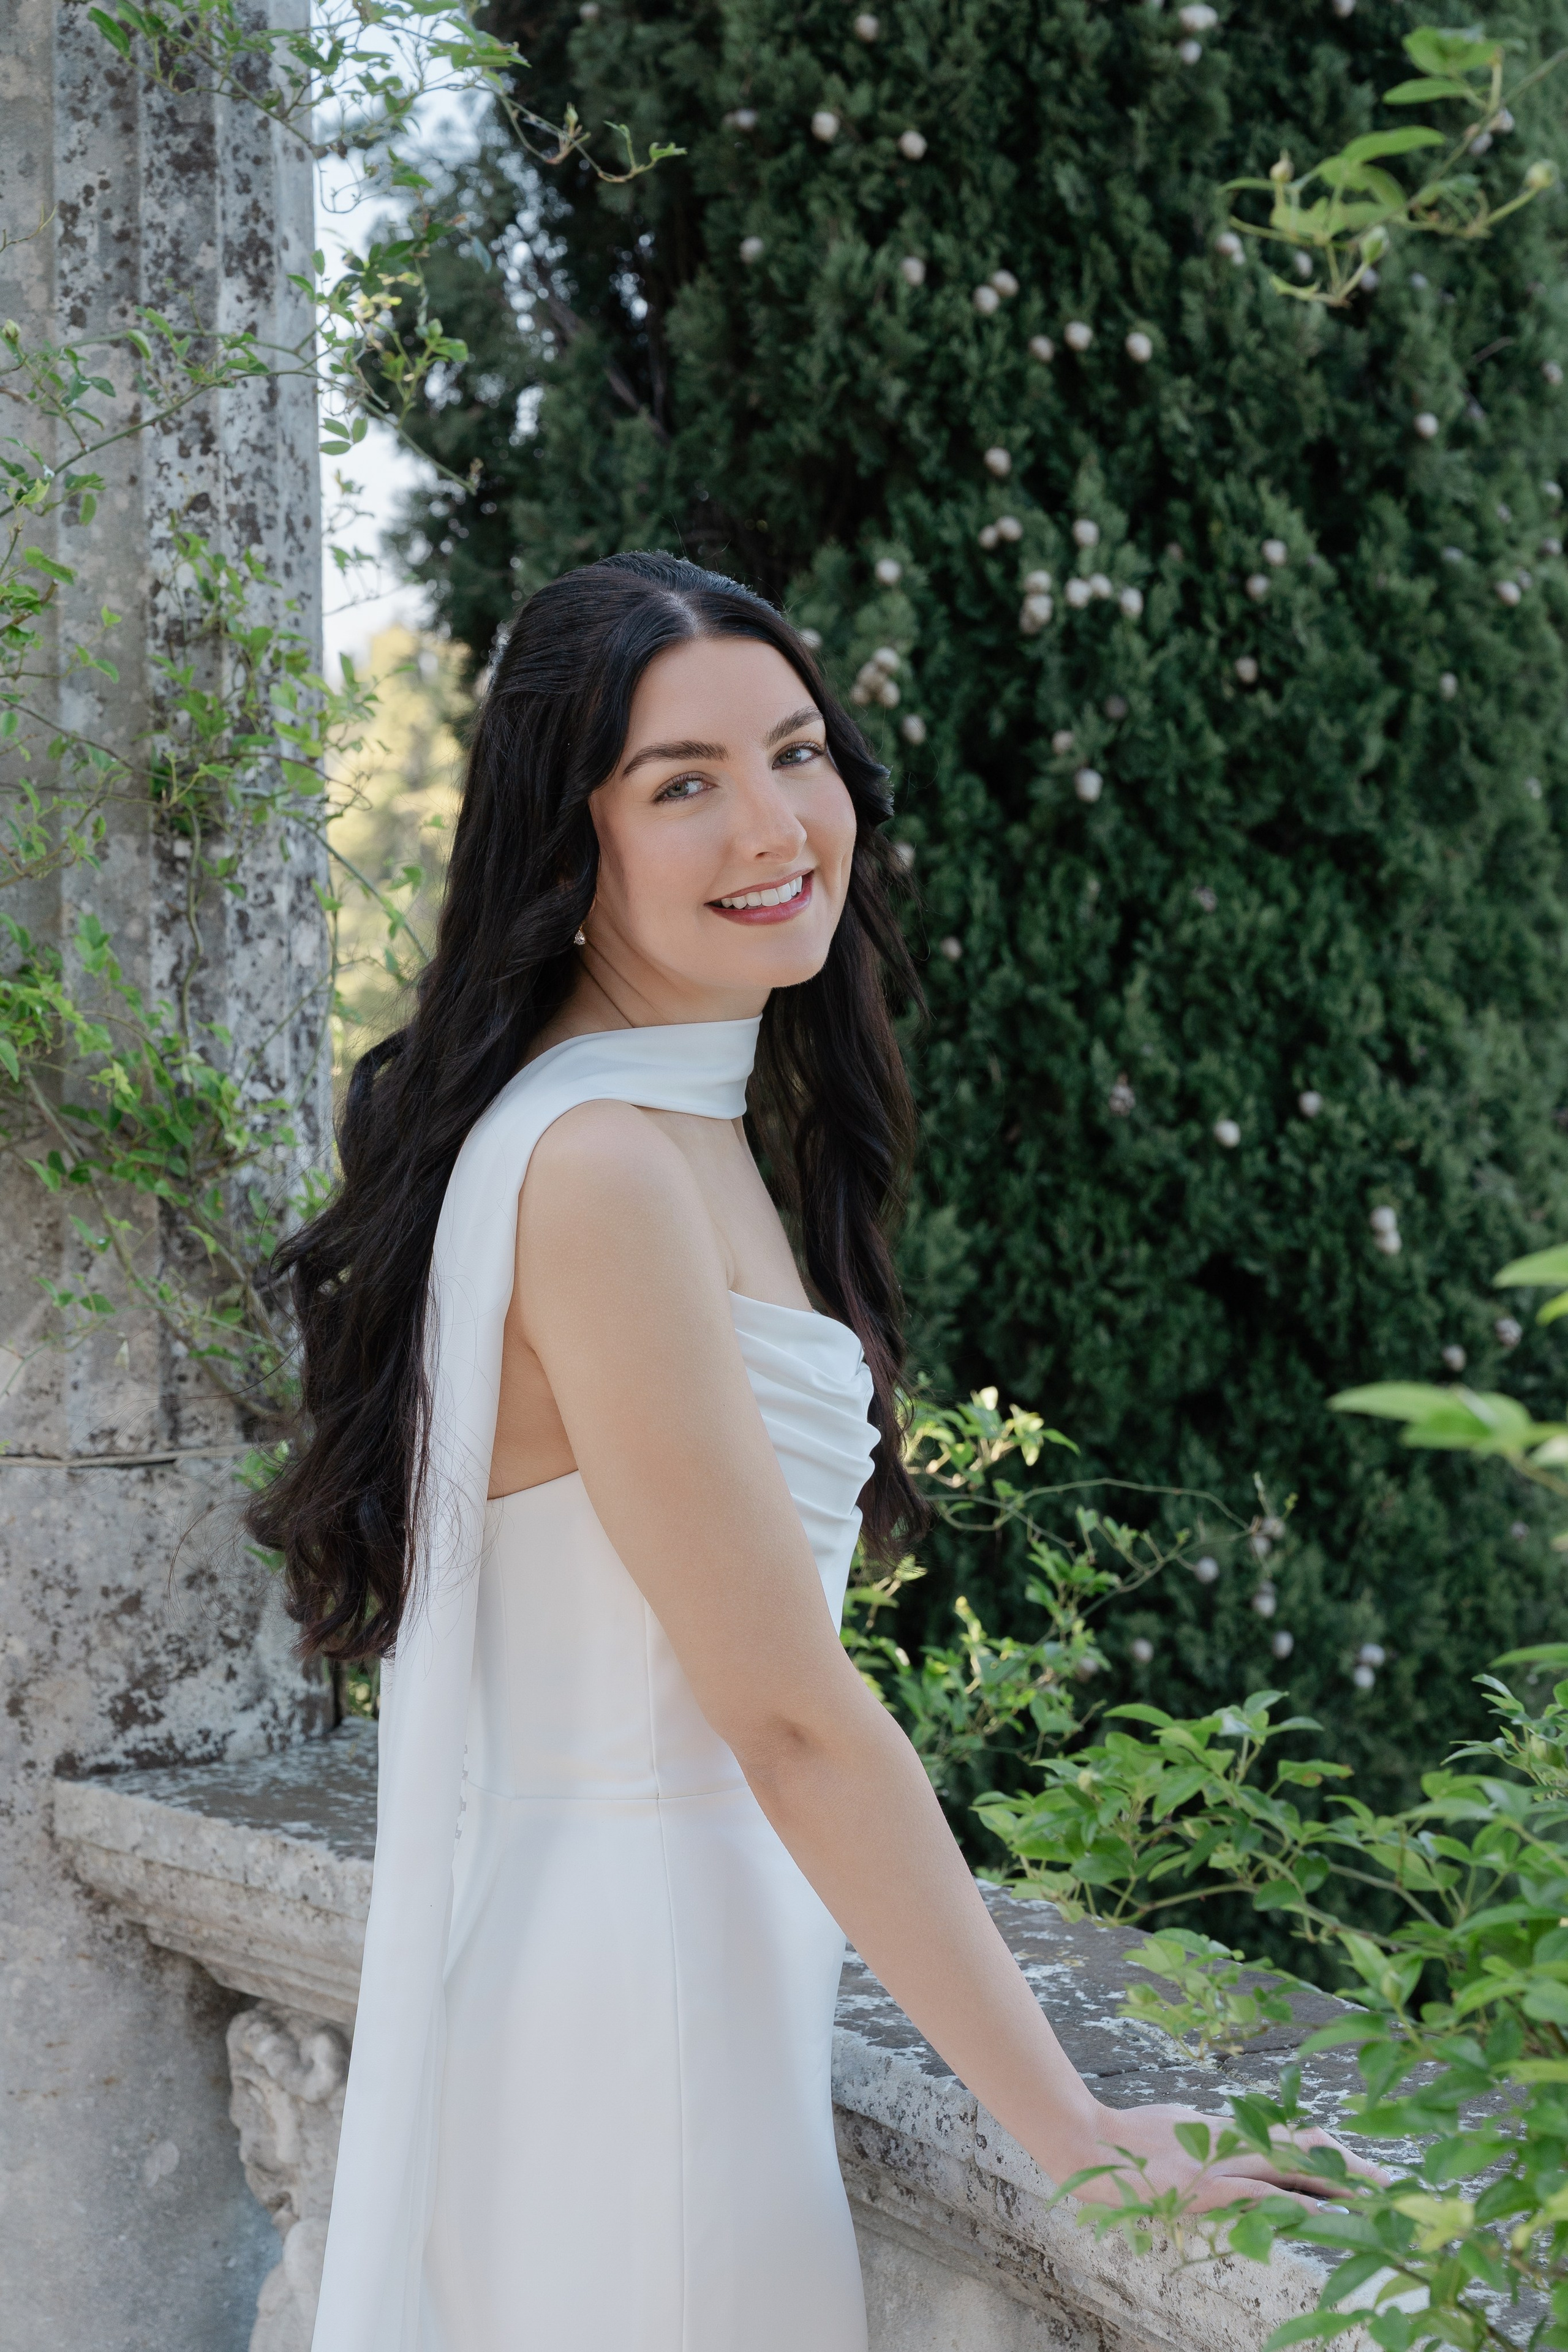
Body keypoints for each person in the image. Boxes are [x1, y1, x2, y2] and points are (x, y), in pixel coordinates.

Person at [252, 553, 1363, 2352]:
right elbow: (784, 1712)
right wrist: (1074, 2130)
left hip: (663, 1976)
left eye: (796, 752)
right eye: (682, 783)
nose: (774, 825)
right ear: (565, 846)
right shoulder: (605, 1169)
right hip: (648, 2025)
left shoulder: (667, 1123)